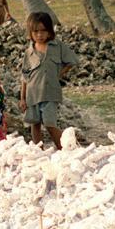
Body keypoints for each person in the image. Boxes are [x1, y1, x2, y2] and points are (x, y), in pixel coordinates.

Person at [19, 12, 78, 150]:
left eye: (43, 31)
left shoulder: (58, 47)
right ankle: (38, 151)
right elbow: (24, 76)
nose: (40, 35)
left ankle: (65, 148)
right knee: (35, 123)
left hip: (50, 92)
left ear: (49, 31)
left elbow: (71, 62)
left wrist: (58, 74)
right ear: (31, 32)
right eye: (36, 31)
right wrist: (22, 98)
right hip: (32, 94)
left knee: (50, 123)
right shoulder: (29, 52)